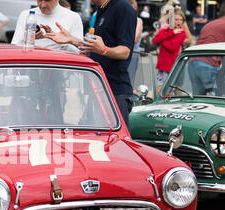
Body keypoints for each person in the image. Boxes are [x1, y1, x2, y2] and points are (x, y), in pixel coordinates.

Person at [45, 0, 137, 128]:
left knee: (113, 144)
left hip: (115, 93)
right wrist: (72, 39)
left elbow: (125, 51)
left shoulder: (123, 7)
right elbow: (95, 46)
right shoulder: (102, 9)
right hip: (98, 88)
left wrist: (104, 50)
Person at [188, 0, 225, 96]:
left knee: (198, 99)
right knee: (217, 97)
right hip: (209, 63)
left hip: (192, 62)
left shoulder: (209, 24)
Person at [12, 0, 83, 54]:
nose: (43, 5)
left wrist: (68, 40)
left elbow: (79, 52)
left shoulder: (73, 17)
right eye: (39, 0)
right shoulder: (26, 15)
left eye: (47, 0)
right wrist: (28, 37)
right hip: (31, 65)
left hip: (59, 67)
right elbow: (14, 47)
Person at [153, 9, 186, 93]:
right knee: (161, 88)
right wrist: (172, 32)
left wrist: (163, 40)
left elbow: (173, 47)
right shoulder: (167, 30)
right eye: (176, 19)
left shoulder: (182, 32)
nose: (178, 22)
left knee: (172, 89)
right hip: (162, 65)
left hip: (172, 65)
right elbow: (155, 40)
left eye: (180, 20)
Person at [127, 0, 142, 85]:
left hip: (133, 53)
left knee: (129, 78)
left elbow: (135, 38)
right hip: (122, 53)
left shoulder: (138, 21)